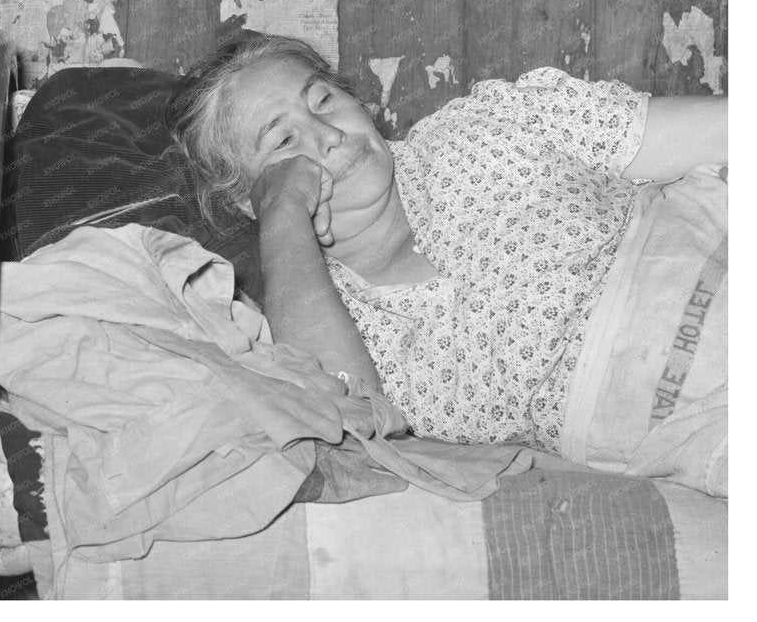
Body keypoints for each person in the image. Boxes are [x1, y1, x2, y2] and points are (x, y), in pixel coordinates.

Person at [169, 31, 728, 491]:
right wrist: (284, 215)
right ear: (251, 198)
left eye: (324, 101)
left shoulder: (489, 126)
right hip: (688, 422)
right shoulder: (325, 325)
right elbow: (349, 429)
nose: (331, 135)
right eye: (284, 141)